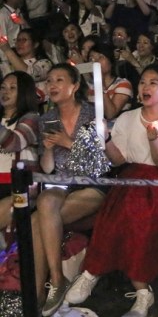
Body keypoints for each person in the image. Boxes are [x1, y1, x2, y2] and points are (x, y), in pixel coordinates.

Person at [64, 64, 158, 317]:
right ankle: (100, 274)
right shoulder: (127, 117)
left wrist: (154, 139)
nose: (145, 87)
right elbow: (118, 160)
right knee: (116, 212)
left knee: (136, 213)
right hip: (131, 179)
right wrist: (105, 139)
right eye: (143, 82)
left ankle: (127, 283)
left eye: (153, 82)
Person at [31, 64, 100, 316]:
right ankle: (46, 287)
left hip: (92, 184)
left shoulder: (92, 113)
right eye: (49, 80)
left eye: (59, 80)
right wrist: (49, 148)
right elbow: (48, 168)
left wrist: (67, 142)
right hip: (61, 185)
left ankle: (46, 288)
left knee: (37, 220)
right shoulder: (46, 119)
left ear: (75, 85)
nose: (52, 85)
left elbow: (99, 163)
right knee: (45, 203)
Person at [0, 72, 40, 233]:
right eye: (2, 87)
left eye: (12, 88)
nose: (5, 92)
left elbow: (14, 143)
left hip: (18, 186)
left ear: (24, 92)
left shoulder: (32, 118)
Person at [0, 28, 53, 100]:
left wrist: (7, 50)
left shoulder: (45, 63)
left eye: (24, 40)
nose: (19, 43)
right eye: (18, 40)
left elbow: (28, 75)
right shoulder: (7, 64)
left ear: (35, 44)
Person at [87, 43, 133, 121]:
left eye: (101, 57)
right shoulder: (89, 87)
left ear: (111, 61)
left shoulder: (123, 84)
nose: (96, 62)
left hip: (116, 127)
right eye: (91, 59)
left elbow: (110, 114)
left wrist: (100, 84)